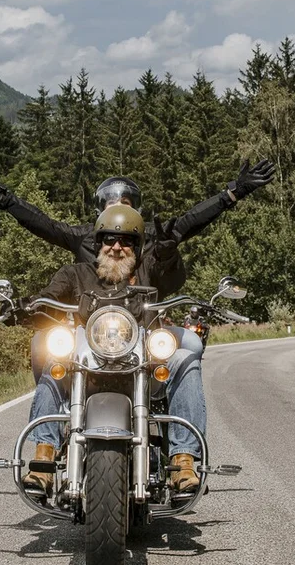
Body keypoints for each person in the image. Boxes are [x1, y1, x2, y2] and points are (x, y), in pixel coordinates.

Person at [19, 205, 209, 494]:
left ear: (137, 246)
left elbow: (173, 278)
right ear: (98, 244)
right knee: (54, 360)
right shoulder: (75, 274)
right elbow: (49, 300)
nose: (117, 247)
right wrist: (27, 308)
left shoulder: (148, 271)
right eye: (109, 239)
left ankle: (182, 461)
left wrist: (170, 256)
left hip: (141, 363)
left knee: (185, 359)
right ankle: (43, 458)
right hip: (87, 364)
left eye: (126, 241)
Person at [0, 161, 275, 297]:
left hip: (144, 324)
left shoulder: (155, 235)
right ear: (99, 209)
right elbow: (41, 223)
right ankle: (48, 432)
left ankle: (185, 438)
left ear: (137, 207)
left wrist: (235, 192)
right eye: (111, 202)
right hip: (90, 326)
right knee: (44, 351)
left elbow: (193, 219)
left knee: (188, 350)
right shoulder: (82, 237)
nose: (118, 206)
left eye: (126, 201)